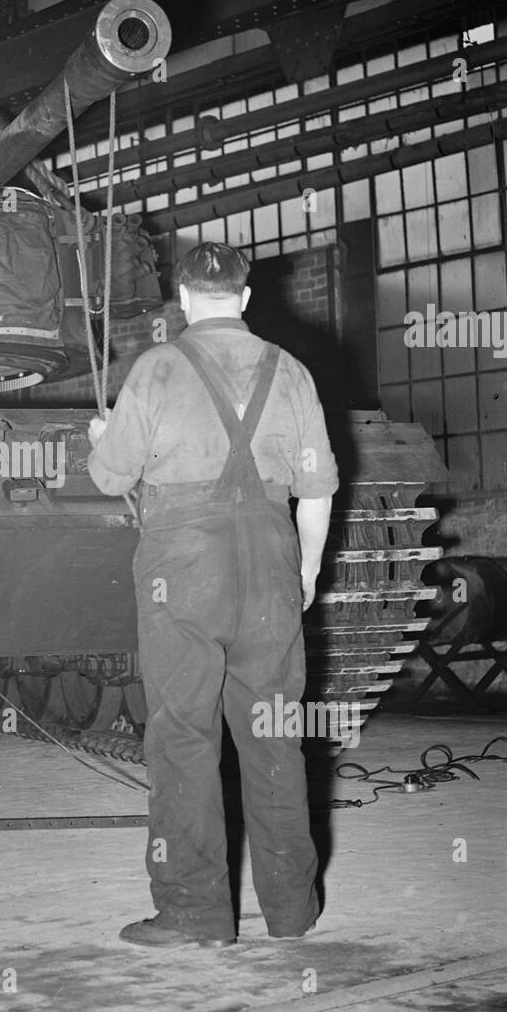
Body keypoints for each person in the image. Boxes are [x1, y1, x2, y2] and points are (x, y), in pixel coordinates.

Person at [87, 241, 338, 948]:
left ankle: (196, 916)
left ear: (185, 299)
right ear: (247, 299)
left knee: (183, 738)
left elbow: (111, 478)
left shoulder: (158, 367)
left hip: (184, 570)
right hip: (272, 567)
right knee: (274, 737)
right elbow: (317, 490)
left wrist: (102, 438)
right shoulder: (290, 371)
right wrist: (307, 572)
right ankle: (293, 912)